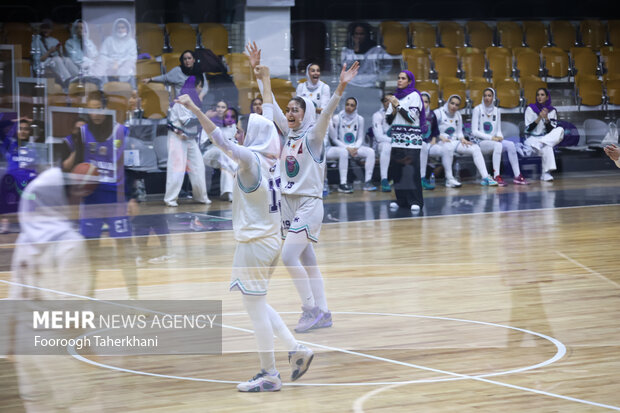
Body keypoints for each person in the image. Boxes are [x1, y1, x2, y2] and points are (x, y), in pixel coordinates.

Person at [176, 93, 314, 392]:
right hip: (270, 239)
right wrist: (262, 80)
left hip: (255, 242)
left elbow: (221, 142)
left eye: (245, 129)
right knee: (258, 303)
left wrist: (195, 108)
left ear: (255, 135)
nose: (240, 132)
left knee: (254, 309)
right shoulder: (272, 160)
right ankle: (295, 348)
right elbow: (262, 125)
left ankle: (270, 373)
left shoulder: (251, 159)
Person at [248, 41, 359, 332]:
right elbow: (269, 106)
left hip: (309, 203)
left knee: (288, 256)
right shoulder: (289, 135)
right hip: (288, 202)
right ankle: (323, 312)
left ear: (305, 112)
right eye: (289, 109)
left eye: (295, 109)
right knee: (308, 260)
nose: (290, 113)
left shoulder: (313, 136)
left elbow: (326, 114)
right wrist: (261, 75)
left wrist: (340, 89)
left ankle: (309, 309)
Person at [60, 91, 137, 299]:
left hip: (117, 201)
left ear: (106, 108)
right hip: (91, 201)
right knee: (90, 254)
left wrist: (133, 197)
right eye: (91, 109)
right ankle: (89, 297)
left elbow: (131, 167)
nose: (96, 113)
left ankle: (135, 298)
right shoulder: (82, 133)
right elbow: (66, 166)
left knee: (125, 253)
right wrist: (77, 150)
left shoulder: (122, 132)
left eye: (99, 108)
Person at [163, 76, 210, 207]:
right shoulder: (181, 100)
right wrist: (205, 116)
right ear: (195, 86)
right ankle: (170, 199)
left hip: (189, 137)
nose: (201, 89)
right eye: (200, 86)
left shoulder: (195, 101)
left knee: (198, 166)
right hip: (177, 137)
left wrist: (202, 116)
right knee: (176, 167)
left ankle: (201, 196)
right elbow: (187, 122)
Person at [434, 95, 498, 187]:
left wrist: (463, 139)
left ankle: (486, 177)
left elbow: (459, 132)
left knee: (475, 148)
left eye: (457, 105)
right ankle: (449, 179)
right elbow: (432, 129)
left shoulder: (458, 115)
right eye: (452, 103)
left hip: (454, 142)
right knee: (448, 148)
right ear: (447, 102)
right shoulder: (438, 113)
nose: (454, 106)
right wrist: (439, 136)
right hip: (440, 142)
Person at [385, 70, 426, 212]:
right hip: (397, 140)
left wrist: (398, 106)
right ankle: (401, 200)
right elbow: (388, 120)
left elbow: (412, 117)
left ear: (409, 81)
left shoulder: (414, 96)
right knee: (398, 172)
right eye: (398, 78)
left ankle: (416, 201)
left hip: (411, 140)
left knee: (411, 171)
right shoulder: (395, 97)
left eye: (403, 78)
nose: (399, 80)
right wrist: (395, 108)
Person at [472, 88, 529, 186]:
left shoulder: (497, 111)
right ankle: (496, 176)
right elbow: (474, 132)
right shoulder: (477, 109)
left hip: (493, 141)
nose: (487, 98)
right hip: (480, 142)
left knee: (511, 145)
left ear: (493, 97)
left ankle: (518, 176)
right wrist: (491, 138)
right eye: (485, 95)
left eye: (489, 96)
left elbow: (498, 130)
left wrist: (500, 136)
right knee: (498, 145)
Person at [340, 22, 391, 128]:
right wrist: (356, 50)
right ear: (352, 35)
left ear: (367, 35)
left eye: (361, 34)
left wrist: (378, 75)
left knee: (371, 117)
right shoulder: (347, 50)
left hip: (370, 87)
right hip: (353, 86)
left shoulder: (377, 49)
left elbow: (388, 64)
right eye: (356, 34)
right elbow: (345, 67)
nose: (359, 37)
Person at [329, 97, 376, 191]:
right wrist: (347, 148)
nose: (349, 107)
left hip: (355, 148)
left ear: (355, 107)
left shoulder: (360, 119)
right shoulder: (336, 118)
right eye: (347, 104)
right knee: (344, 152)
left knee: (370, 152)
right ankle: (343, 183)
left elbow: (360, 138)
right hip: (341, 147)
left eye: (352, 105)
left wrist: (355, 148)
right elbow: (334, 139)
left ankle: (367, 182)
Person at [523, 88, 564, 181]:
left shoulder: (552, 111)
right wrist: (539, 118)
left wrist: (546, 119)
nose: (539, 97)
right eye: (538, 95)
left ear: (547, 97)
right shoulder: (530, 109)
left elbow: (552, 131)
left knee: (560, 130)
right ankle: (545, 173)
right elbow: (527, 130)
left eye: (542, 95)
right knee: (548, 146)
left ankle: (541, 143)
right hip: (532, 138)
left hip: (545, 138)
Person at [202, 100, 237, 202]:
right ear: (215, 109)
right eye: (218, 107)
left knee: (225, 163)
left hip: (226, 156)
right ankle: (232, 189)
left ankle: (228, 193)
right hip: (209, 153)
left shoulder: (232, 125)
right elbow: (202, 143)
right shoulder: (209, 123)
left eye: (223, 107)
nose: (220, 109)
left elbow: (234, 142)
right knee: (224, 155)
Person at [144, 50, 208, 100]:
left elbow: (205, 86)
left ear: (194, 60)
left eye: (189, 58)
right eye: (185, 59)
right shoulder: (177, 71)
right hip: (182, 103)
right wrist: (150, 79)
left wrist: (201, 96)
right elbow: (165, 77)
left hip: (196, 101)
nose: (187, 61)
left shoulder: (200, 71)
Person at [31, 19, 79, 86]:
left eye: (48, 28)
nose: (46, 30)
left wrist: (59, 50)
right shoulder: (36, 41)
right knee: (56, 59)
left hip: (54, 62)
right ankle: (68, 80)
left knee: (67, 60)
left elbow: (61, 57)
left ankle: (79, 77)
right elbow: (38, 60)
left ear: (51, 30)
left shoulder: (55, 40)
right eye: (44, 28)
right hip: (43, 64)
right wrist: (49, 51)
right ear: (41, 29)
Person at [93, 18, 137, 85]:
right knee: (101, 63)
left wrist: (118, 63)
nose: (120, 30)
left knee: (129, 65)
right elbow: (102, 55)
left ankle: (131, 90)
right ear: (115, 29)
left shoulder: (131, 42)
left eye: (123, 28)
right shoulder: (109, 40)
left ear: (127, 29)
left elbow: (132, 57)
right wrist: (113, 62)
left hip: (124, 64)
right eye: (118, 28)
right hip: (110, 63)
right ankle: (102, 89)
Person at [418, 92, 442, 190]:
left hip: (429, 142)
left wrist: (433, 140)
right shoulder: (413, 114)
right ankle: (421, 178)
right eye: (421, 102)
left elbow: (435, 131)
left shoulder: (432, 115)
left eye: (426, 102)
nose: (424, 104)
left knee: (445, 150)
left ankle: (449, 177)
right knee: (423, 147)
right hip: (416, 142)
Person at [372, 94, 394, 192]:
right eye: (386, 101)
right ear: (383, 103)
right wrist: (394, 141)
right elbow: (379, 137)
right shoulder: (377, 115)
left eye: (391, 100)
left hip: (396, 142)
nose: (389, 103)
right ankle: (384, 179)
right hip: (380, 144)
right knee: (386, 146)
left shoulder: (401, 114)